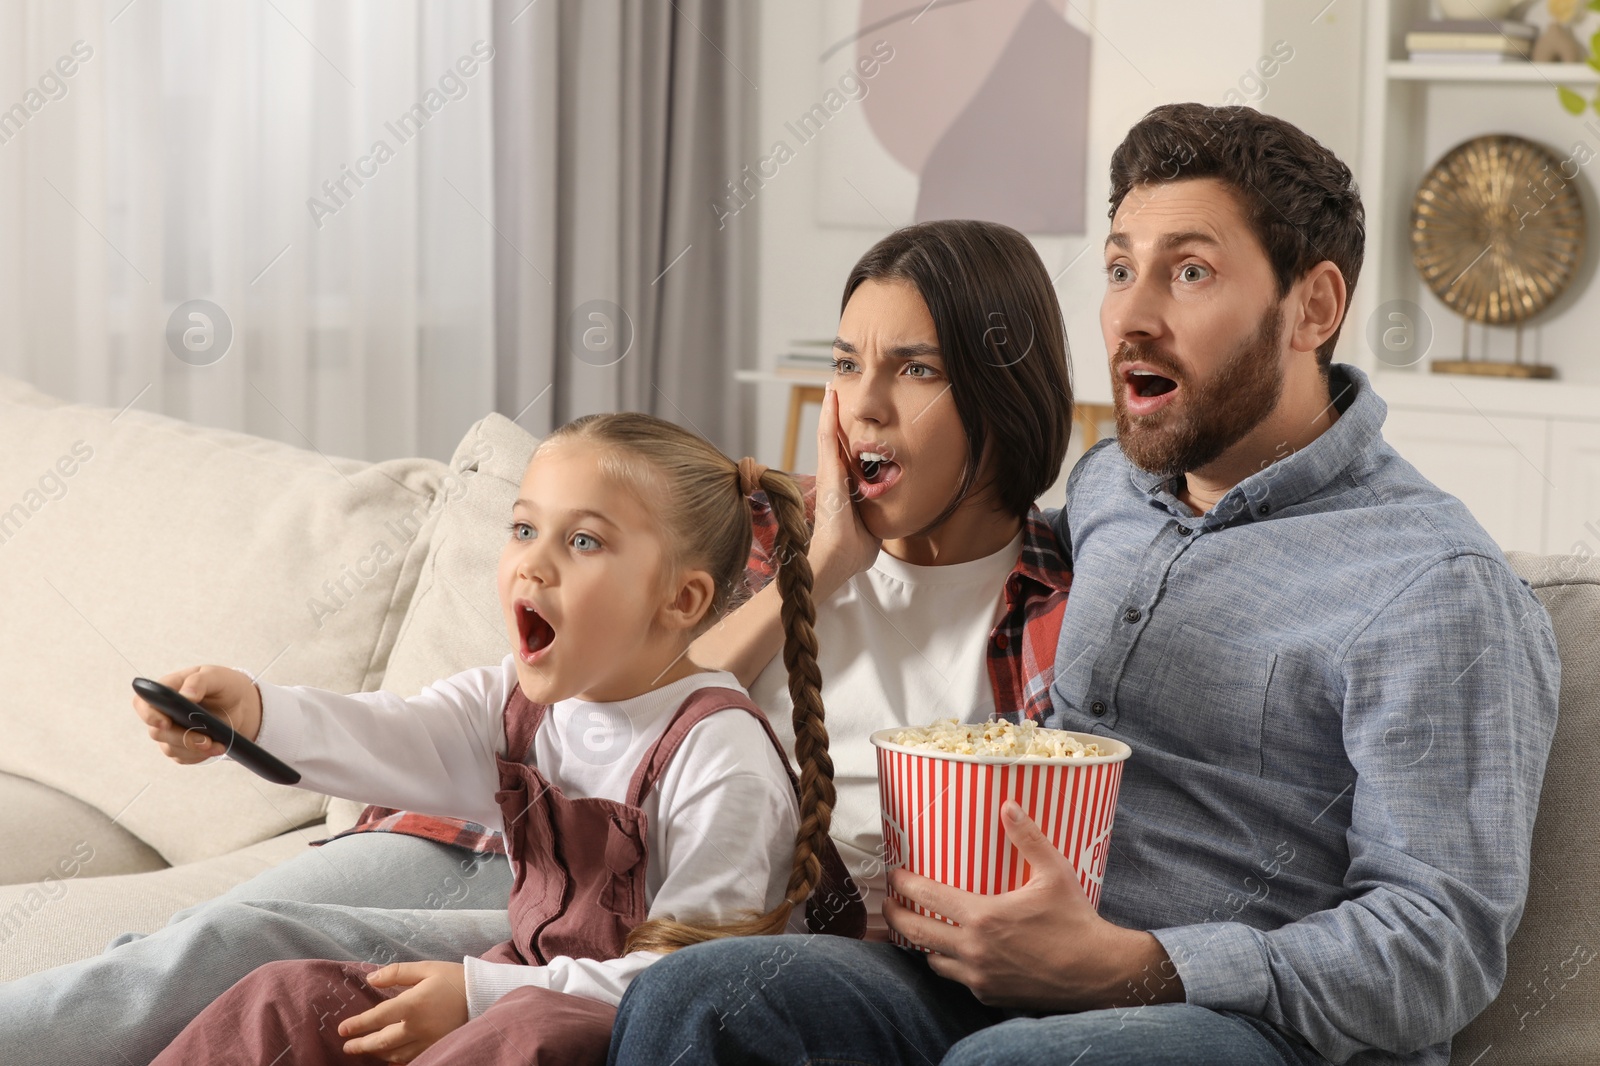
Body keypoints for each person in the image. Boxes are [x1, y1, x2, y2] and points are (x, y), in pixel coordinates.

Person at [606, 104, 1561, 1066]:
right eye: (1118, 268)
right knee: (702, 998)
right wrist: (841, 537)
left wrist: (1135, 966)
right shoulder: (1114, 488)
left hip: (1243, 1031)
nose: (1132, 316)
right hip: (996, 988)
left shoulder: (1437, 585)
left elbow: (1441, 945)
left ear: (1313, 308)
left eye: (1189, 272)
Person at [0, 218, 1075, 1063]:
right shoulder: (766, 523)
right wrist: (830, 558)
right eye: (846, 364)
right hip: (511, 844)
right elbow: (636, 706)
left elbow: (699, 763)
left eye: (918, 371)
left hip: (701, 907)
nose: (865, 406)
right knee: (234, 947)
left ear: (999, 388)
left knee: (359, 984)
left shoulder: (1063, 601)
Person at [138, 413, 863, 1064]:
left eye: (583, 541)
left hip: (624, 1026)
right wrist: (252, 713)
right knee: (282, 999)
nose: (533, 562)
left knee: (512, 1033)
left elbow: (687, 991)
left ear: (683, 599)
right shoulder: (510, 704)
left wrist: (479, 995)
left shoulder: (719, 756)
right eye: (523, 529)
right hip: (525, 986)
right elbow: (385, 735)